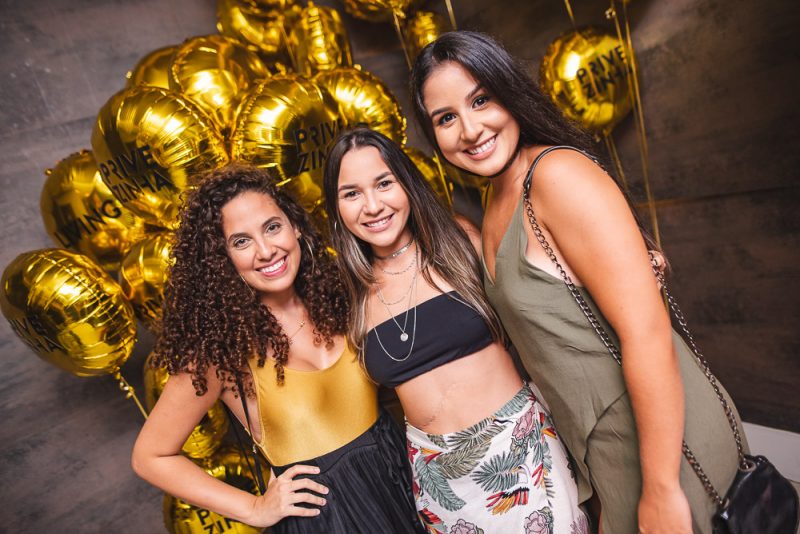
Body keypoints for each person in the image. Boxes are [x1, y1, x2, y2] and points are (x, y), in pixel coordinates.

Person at [409, 30, 747, 534]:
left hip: (664, 444)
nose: (470, 129)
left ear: (509, 91)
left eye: (481, 100)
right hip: (607, 448)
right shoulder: (497, 197)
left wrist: (660, 488)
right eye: (446, 118)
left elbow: (647, 333)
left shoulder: (556, 174)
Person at [131, 163, 423, 534]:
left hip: (402, 488)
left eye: (272, 227)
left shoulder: (341, 299)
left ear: (294, 225)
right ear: (222, 259)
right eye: (241, 241)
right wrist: (253, 508)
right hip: (326, 522)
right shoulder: (223, 351)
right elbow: (150, 456)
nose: (267, 250)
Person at [323, 128, 589, 533]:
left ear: (406, 182)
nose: (373, 206)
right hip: (438, 479)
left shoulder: (457, 240)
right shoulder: (352, 294)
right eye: (351, 193)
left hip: (519, 447)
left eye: (384, 183)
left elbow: (539, 292)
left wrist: (622, 266)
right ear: (337, 206)